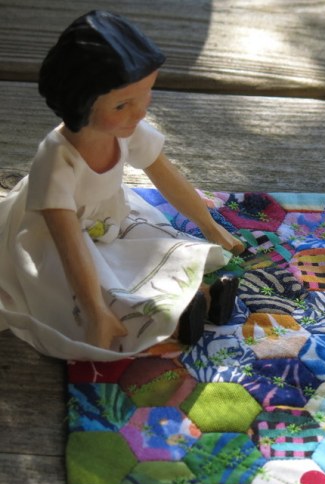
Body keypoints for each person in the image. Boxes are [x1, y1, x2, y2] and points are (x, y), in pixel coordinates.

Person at [0, 11, 244, 361]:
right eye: (122, 104)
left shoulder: (125, 131)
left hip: (109, 217)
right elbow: (69, 243)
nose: (140, 112)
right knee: (98, 287)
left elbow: (166, 175)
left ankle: (203, 295)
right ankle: (172, 319)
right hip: (54, 240)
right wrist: (95, 310)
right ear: (80, 101)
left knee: (158, 242)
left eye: (147, 94)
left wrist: (209, 225)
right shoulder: (57, 160)